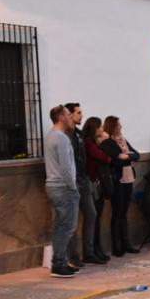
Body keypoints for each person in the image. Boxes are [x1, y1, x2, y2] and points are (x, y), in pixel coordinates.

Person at [44, 105, 80, 278]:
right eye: (67, 114)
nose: (70, 117)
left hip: (53, 186)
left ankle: (59, 262)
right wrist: (72, 187)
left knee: (60, 226)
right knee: (67, 227)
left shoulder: (50, 135)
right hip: (63, 187)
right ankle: (58, 264)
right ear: (60, 117)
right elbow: (65, 167)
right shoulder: (62, 138)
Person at [100, 116, 141, 257]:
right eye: (118, 125)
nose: (121, 127)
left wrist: (126, 156)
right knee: (117, 213)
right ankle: (116, 246)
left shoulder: (124, 141)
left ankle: (126, 243)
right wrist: (126, 157)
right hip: (117, 181)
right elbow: (116, 161)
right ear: (112, 127)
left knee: (124, 213)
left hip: (128, 179)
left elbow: (137, 155)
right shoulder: (107, 143)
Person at [64, 103, 97, 268]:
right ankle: (73, 255)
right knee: (72, 220)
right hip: (73, 181)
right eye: (78, 113)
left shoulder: (78, 134)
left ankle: (88, 253)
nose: (81, 115)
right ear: (69, 115)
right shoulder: (64, 135)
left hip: (84, 179)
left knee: (91, 214)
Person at [82, 117, 112, 263]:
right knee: (94, 217)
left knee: (97, 217)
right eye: (100, 127)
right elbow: (105, 158)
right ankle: (92, 250)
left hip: (97, 183)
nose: (102, 130)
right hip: (91, 183)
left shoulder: (93, 143)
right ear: (94, 128)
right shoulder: (88, 143)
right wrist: (105, 142)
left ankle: (97, 248)